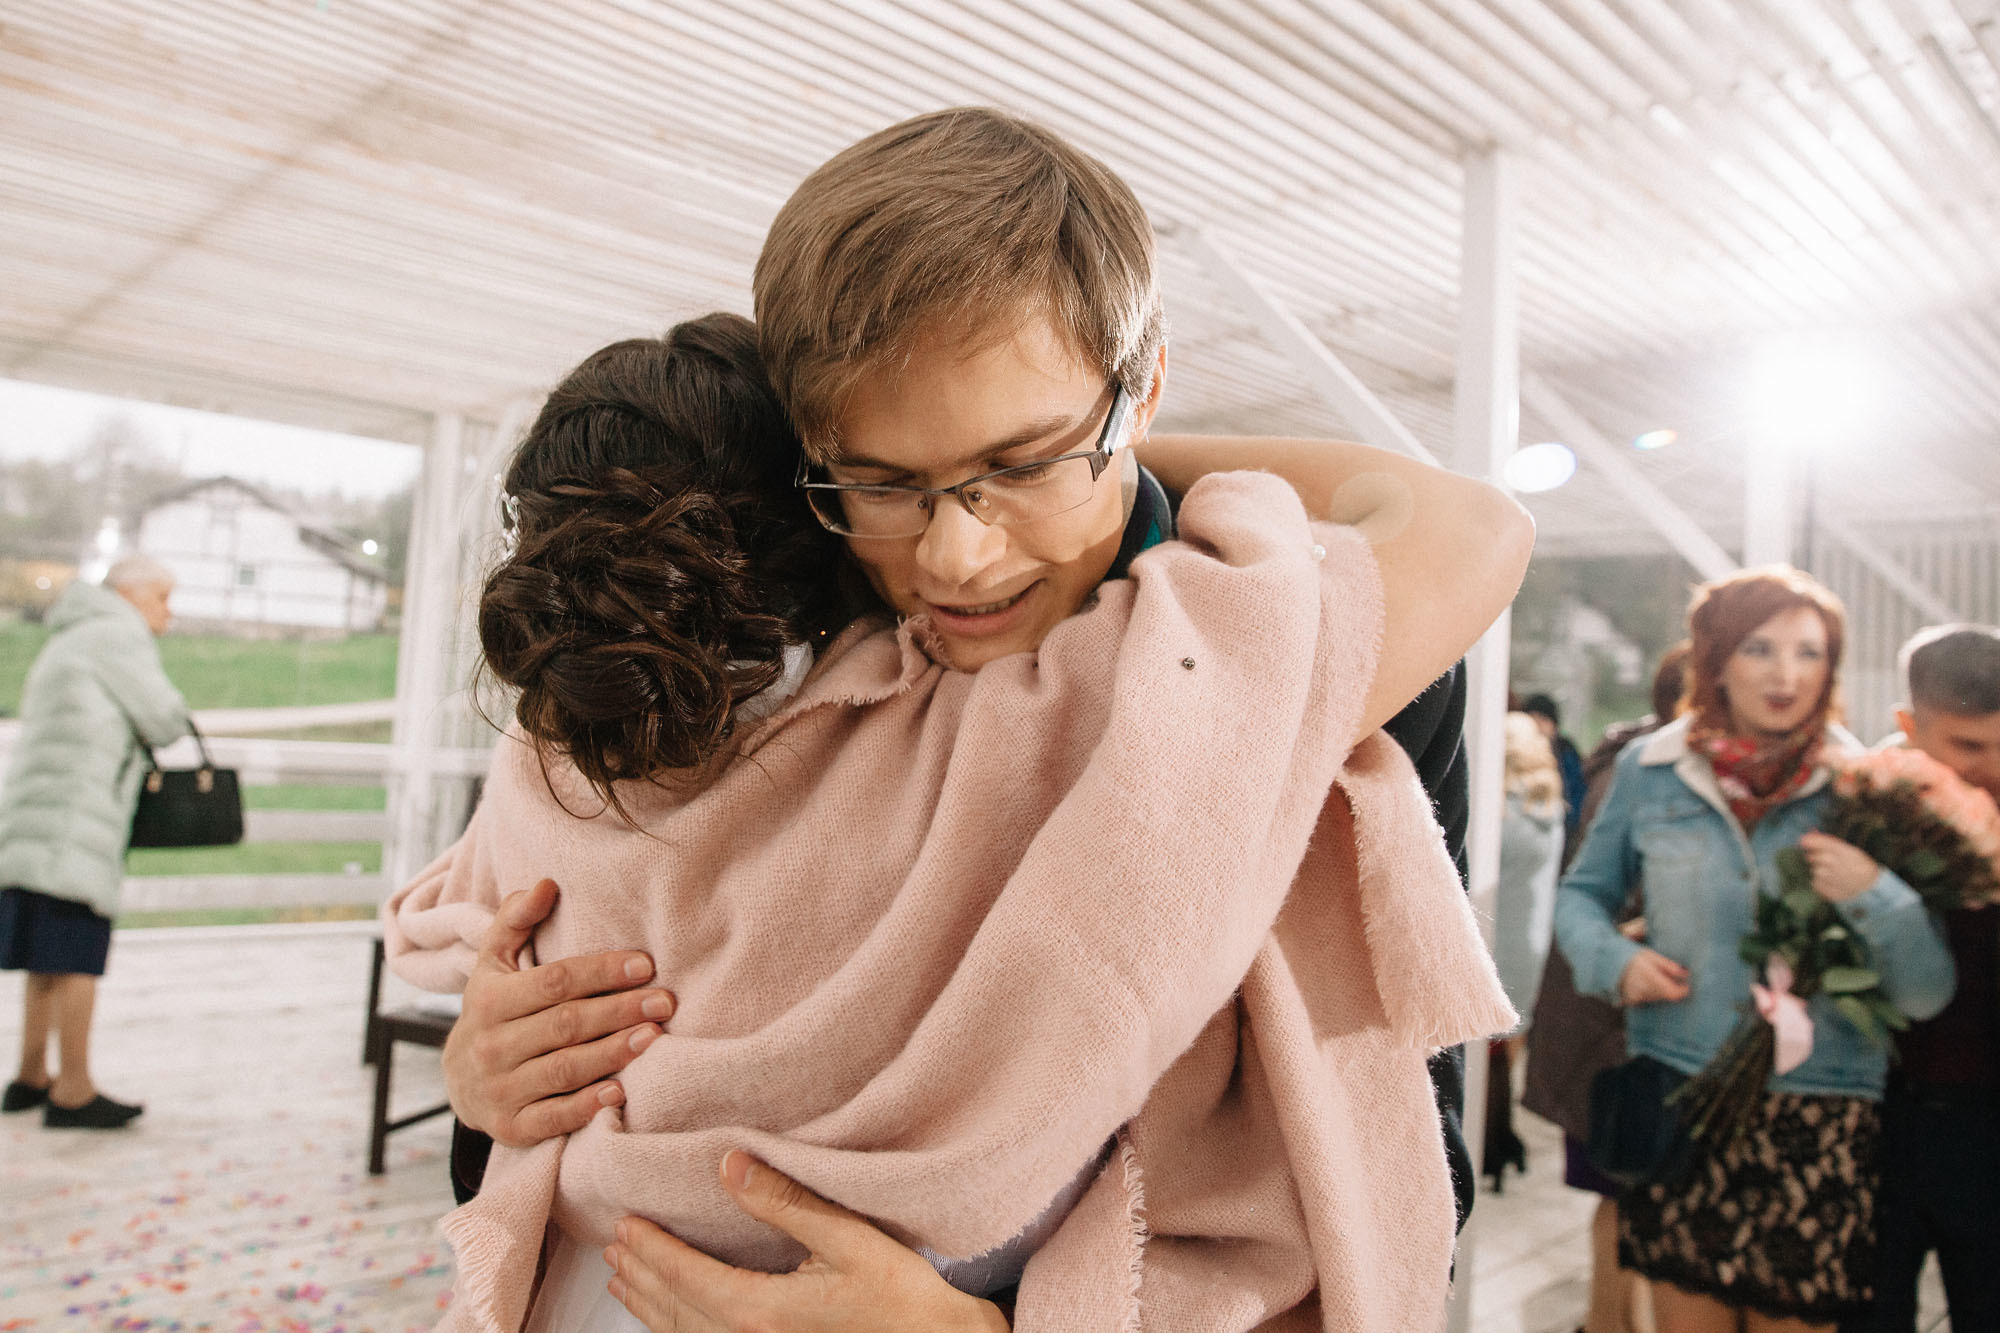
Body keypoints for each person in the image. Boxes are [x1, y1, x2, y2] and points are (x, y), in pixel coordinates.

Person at [392, 111, 1532, 1330]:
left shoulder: (1322, 652)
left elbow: (1389, 1159)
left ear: (1144, 385)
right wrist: (487, 1081)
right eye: (879, 482)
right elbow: (565, 1066)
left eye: (1024, 462)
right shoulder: (779, 632)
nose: (955, 555)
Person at [1555, 567, 1957, 1333]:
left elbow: (1925, 990)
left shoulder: (1867, 787)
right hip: (1679, 1091)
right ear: (1716, 660)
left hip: (1822, 1111)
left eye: (1809, 653)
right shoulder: (1651, 770)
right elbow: (1581, 896)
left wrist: (1875, 890)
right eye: (1760, 648)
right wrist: (1614, 961)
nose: (1785, 674)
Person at [1524, 643, 1687, 1333]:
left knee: (1631, 1196)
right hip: (1612, 1021)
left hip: (1612, 1018)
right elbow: (1600, 891)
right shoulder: (1640, 767)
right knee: (1628, 1194)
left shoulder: (1634, 758)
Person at [0, 554, 188, 1130]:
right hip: (75, 821)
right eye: (163, 598)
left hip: (36, 816)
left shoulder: (72, 633)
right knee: (77, 952)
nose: (170, 613)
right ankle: (74, 1090)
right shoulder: (116, 635)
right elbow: (165, 720)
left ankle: (31, 1075)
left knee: (45, 955)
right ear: (130, 595)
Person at [1848, 624, 2000, 1333]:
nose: (1993, 765)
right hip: (1879, 1113)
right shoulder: (1865, 800)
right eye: (1969, 745)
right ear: (1909, 725)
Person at [1484, 709, 1566, 1190]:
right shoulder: (1549, 807)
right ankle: (1500, 1132)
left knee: (1479, 1054)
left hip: (1495, 937)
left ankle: (1487, 1138)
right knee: (1507, 1051)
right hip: (1531, 942)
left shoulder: (1500, 812)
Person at [1524, 691, 1589, 857]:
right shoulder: (1518, 755)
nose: (1537, 725)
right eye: (1532, 718)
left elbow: (1577, 791)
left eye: (1543, 719)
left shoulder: (1566, 752)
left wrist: (1570, 819)